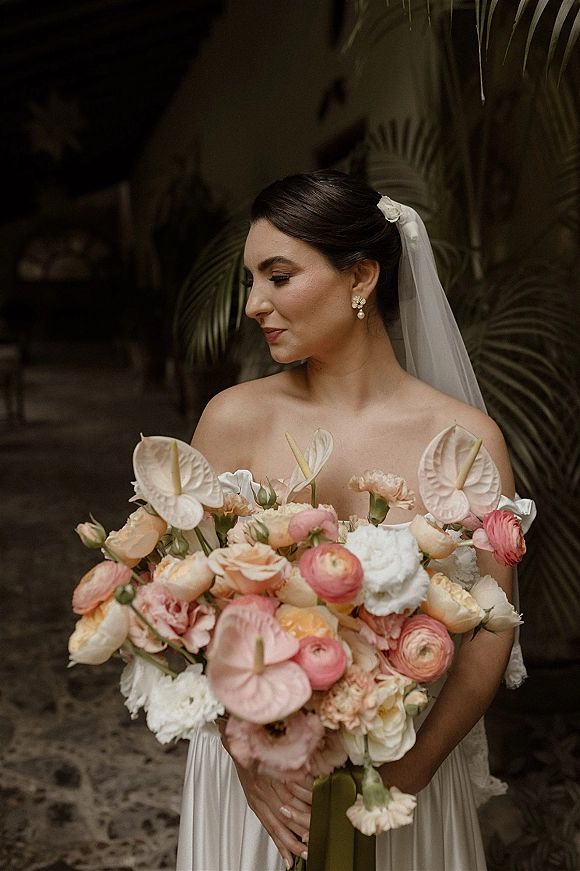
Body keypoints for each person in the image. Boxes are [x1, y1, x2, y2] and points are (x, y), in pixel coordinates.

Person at [176, 170, 529, 871]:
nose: (254, 304)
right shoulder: (231, 419)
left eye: (277, 276)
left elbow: (491, 631)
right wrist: (249, 764)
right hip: (260, 785)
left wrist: (403, 775)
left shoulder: (465, 443)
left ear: (361, 275)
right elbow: (185, 613)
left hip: (405, 775)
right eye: (251, 280)